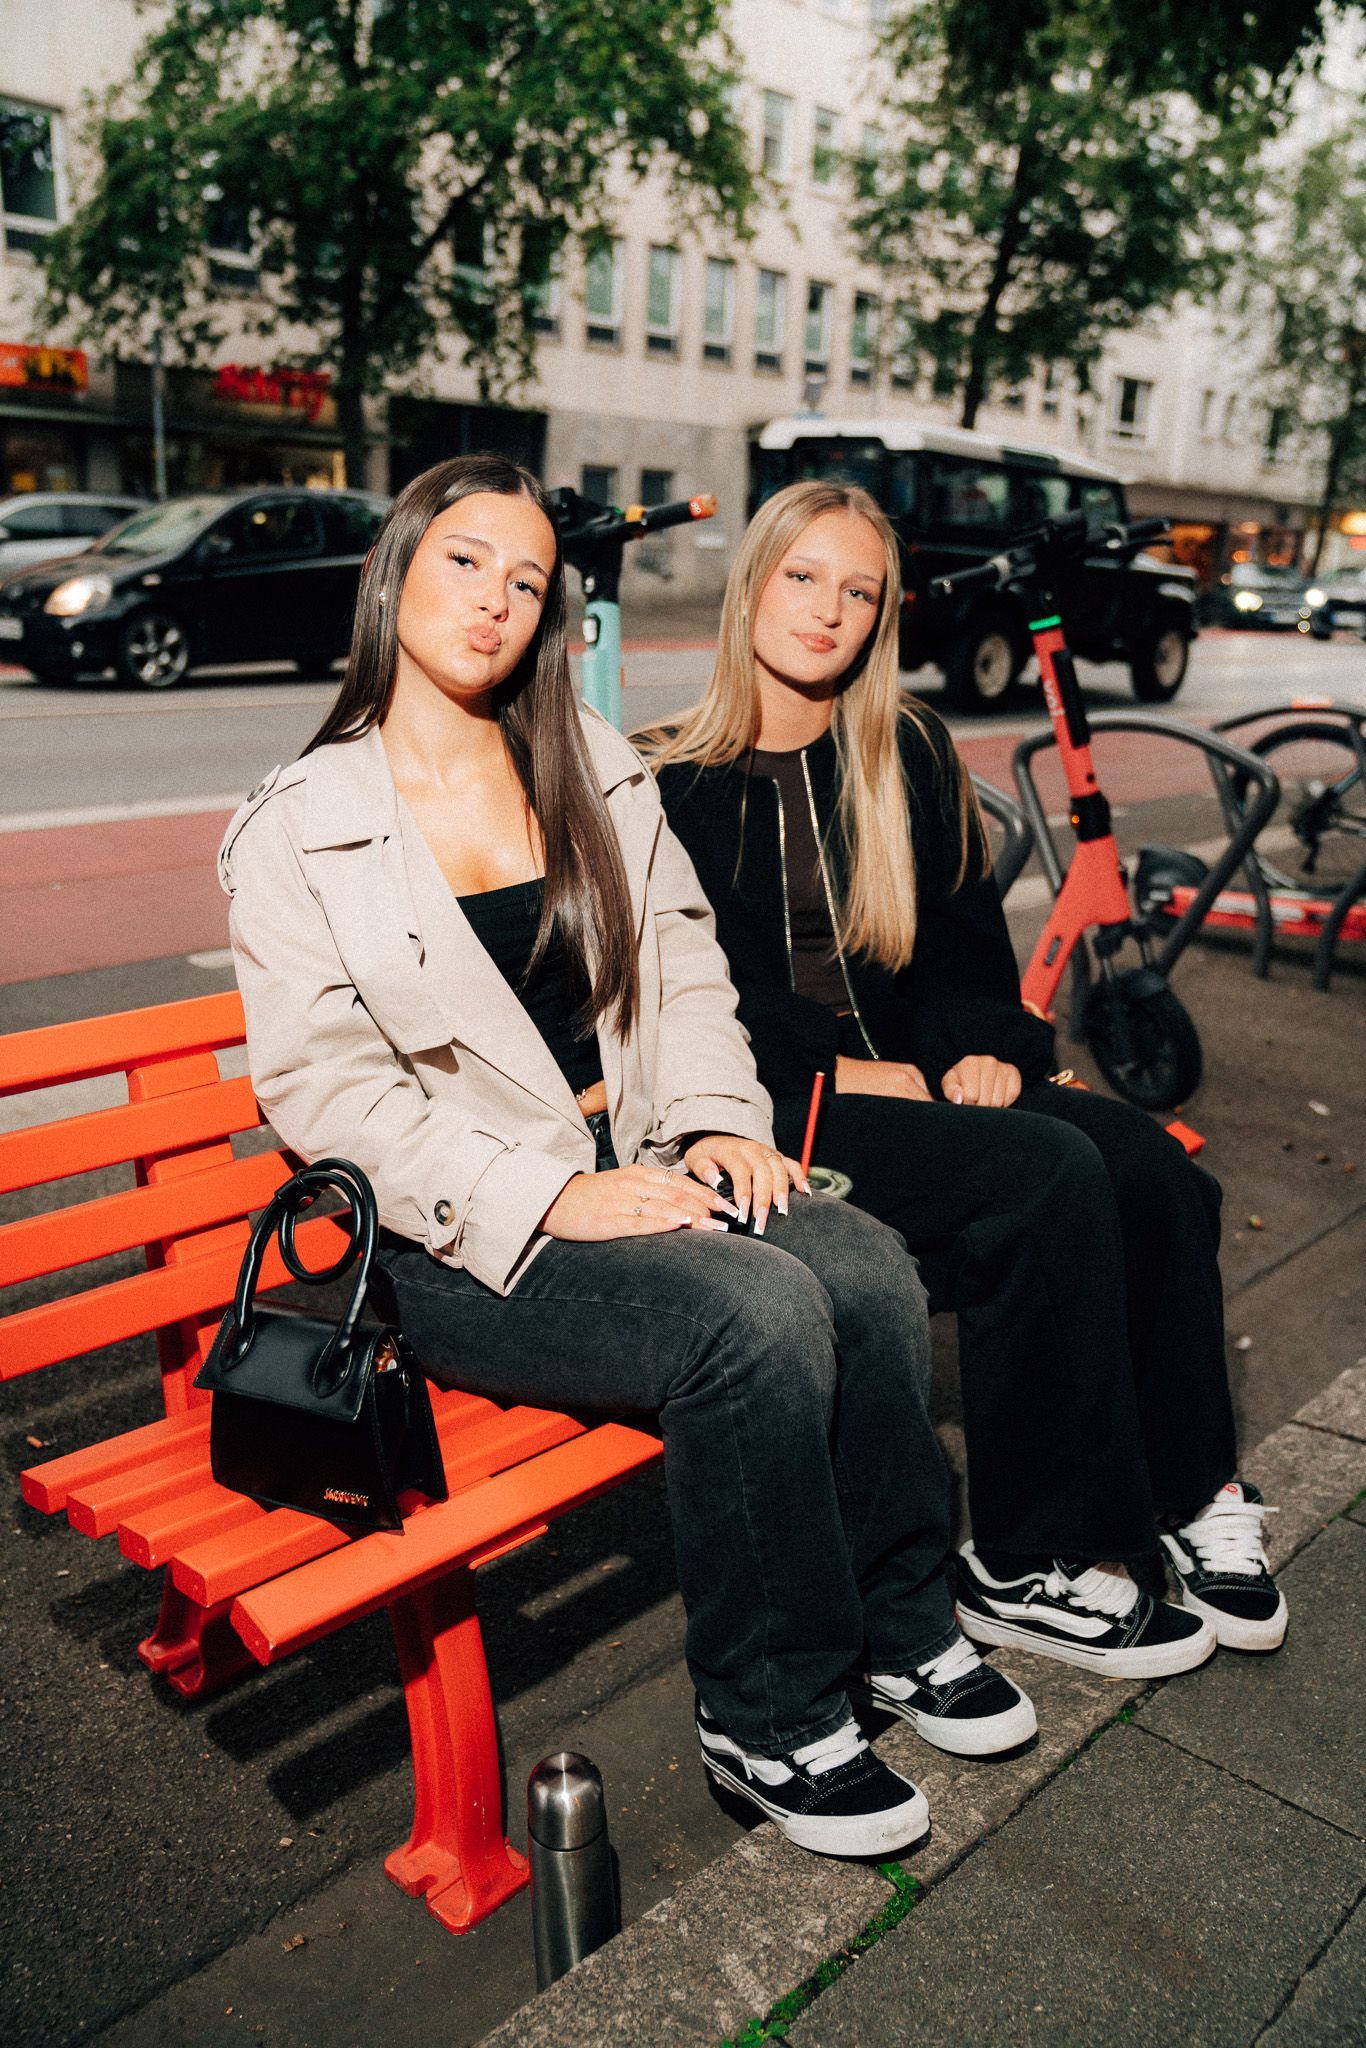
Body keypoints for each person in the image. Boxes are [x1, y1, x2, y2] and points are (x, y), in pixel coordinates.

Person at [217, 454, 1040, 1867]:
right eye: (466, 561)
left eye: (526, 581)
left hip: (646, 1162)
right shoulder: (301, 823)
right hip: (462, 1240)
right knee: (754, 1316)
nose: (492, 602)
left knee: (859, 1264)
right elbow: (326, 1093)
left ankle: (905, 1624)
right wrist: (556, 1194)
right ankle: (767, 1708)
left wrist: (722, 1119)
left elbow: (677, 962)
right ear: (396, 568)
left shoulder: (586, 764)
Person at [645, 479, 1286, 1675]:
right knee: (1041, 1177)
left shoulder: (906, 751)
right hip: (761, 1107)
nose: (827, 611)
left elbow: (958, 947)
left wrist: (978, 1041)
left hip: (913, 1077)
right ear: (751, 585)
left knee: (1148, 1166)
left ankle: (1190, 1488)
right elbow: (690, 1004)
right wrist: (850, 1074)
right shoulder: (663, 779)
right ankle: (1029, 1558)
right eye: (802, 577)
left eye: (858, 591)